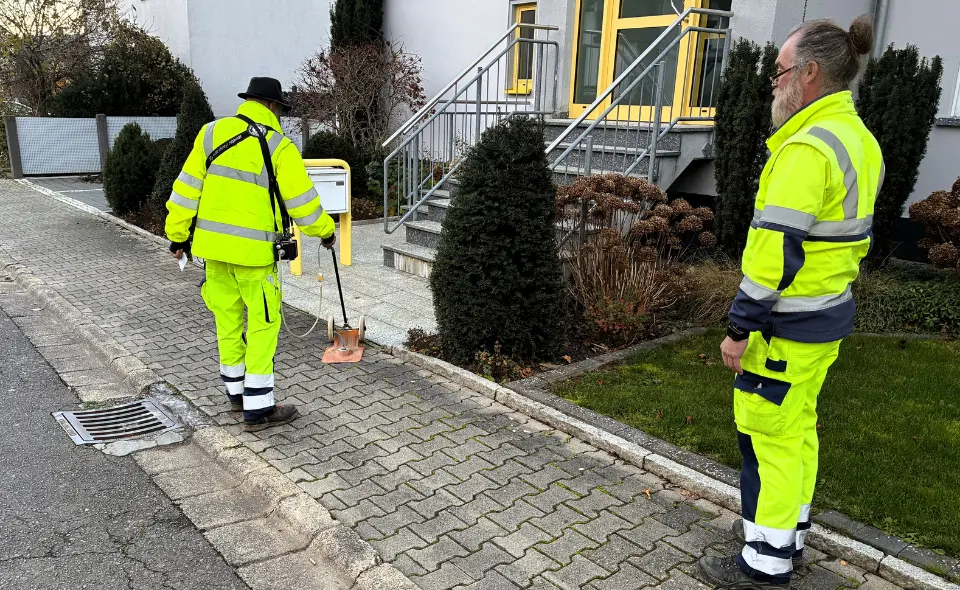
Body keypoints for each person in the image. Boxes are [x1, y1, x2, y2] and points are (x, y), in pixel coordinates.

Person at [698, 14, 884, 589]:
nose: (772, 84)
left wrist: (739, 327)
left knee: (766, 439)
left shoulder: (806, 149)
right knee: (798, 430)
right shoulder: (858, 138)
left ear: (808, 73)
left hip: (784, 326)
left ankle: (765, 563)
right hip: (825, 318)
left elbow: (774, 256)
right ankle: (787, 534)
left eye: (778, 72)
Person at [165, 77, 337, 432]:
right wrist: (326, 232)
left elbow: (185, 189)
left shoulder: (211, 133)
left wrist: (177, 236)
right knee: (263, 326)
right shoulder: (279, 146)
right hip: (254, 256)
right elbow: (303, 205)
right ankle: (259, 409)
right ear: (274, 107)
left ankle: (236, 395)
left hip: (212, 252)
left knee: (226, 323)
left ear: (249, 102)